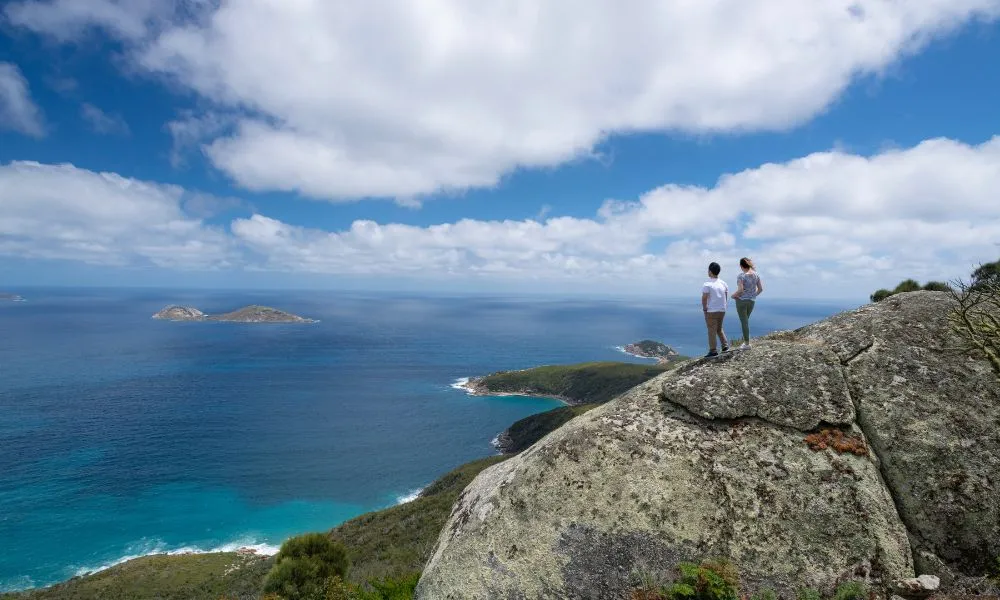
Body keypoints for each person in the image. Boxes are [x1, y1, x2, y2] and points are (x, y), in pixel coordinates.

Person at [731, 257, 764, 350]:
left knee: (744, 322)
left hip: (741, 301)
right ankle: (746, 341)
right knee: (746, 321)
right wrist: (753, 296)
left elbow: (740, 290)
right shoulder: (756, 275)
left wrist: (733, 296)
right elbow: (761, 289)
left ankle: (747, 343)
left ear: (741, 266)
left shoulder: (741, 276)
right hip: (751, 302)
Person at [701, 262, 730, 357]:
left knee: (711, 330)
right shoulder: (723, 283)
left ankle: (713, 350)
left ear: (710, 271)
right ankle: (725, 346)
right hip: (722, 309)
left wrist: (705, 310)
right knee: (719, 328)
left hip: (712, 311)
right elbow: (725, 297)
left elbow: (704, 298)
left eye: (708, 270)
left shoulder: (707, 284)